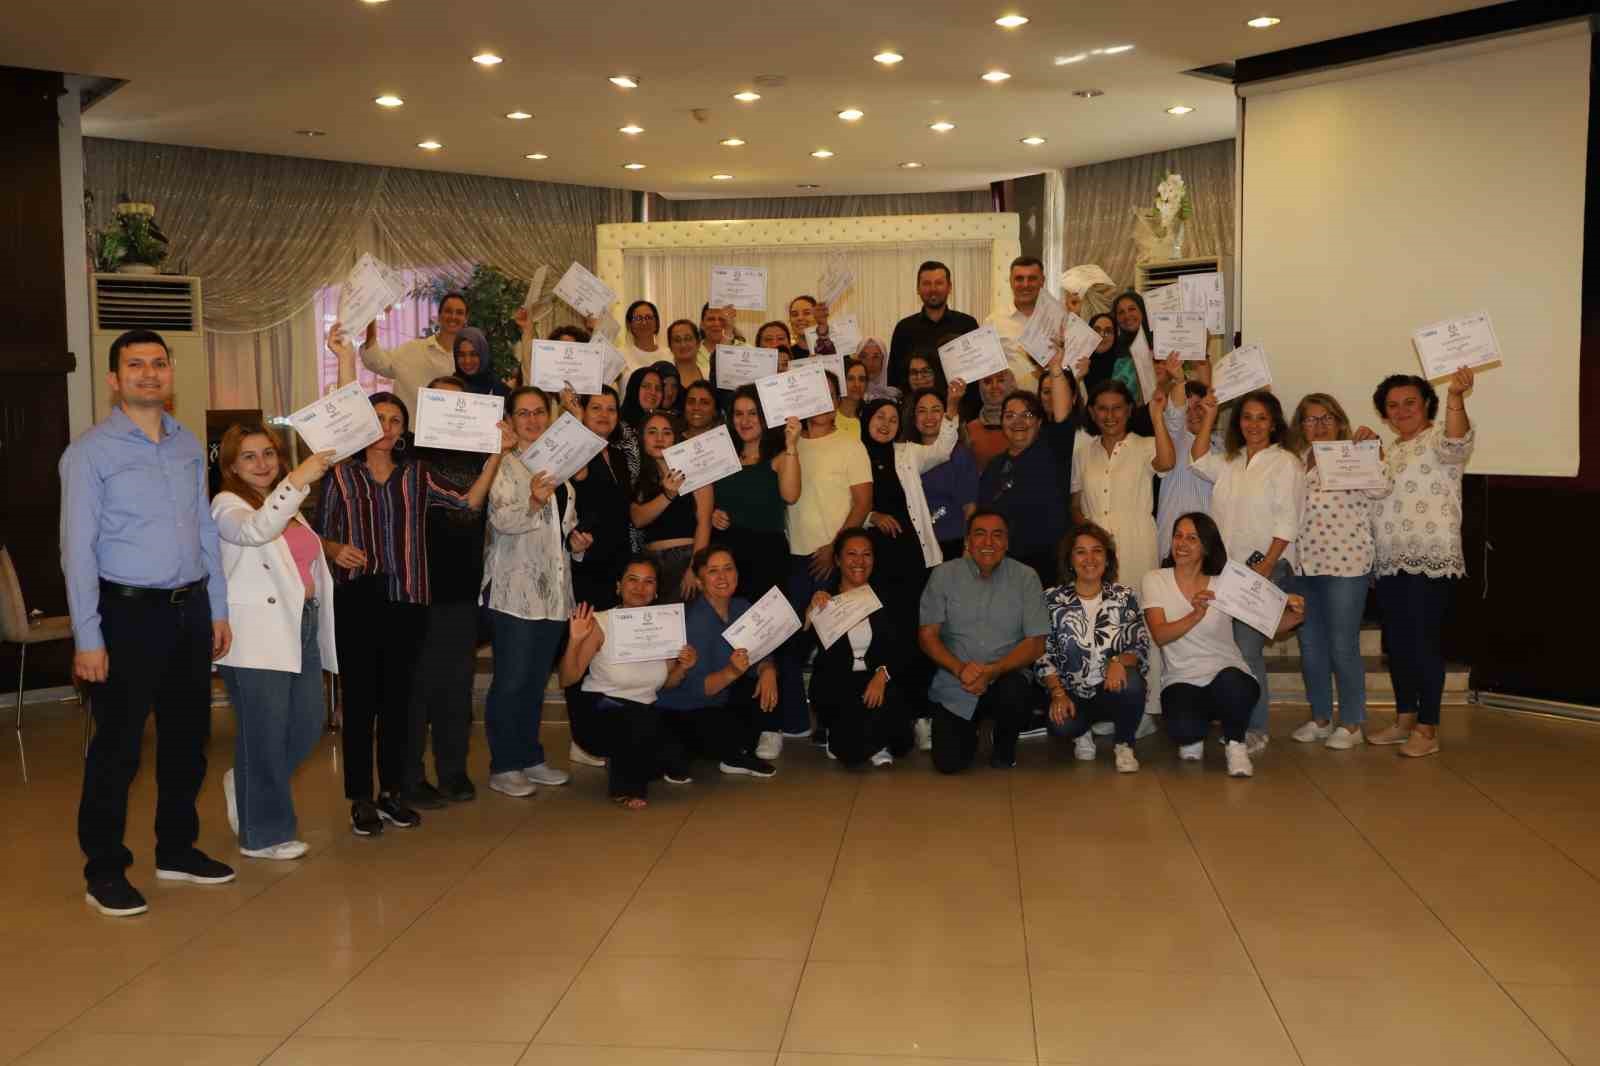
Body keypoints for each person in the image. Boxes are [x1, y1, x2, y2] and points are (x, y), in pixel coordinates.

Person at [62, 329, 236, 916]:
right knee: (118, 748)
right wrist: (88, 637)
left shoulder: (187, 444)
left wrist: (218, 608)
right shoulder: (89, 453)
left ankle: (177, 850)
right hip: (126, 613)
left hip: (190, 609)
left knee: (189, 740)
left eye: (158, 363)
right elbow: (76, 551)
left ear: (170, 373)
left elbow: (205, 529)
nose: (148, 373)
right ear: (114, 380)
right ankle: (104, 869)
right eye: (135, 365)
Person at [318, 383, 510, 836]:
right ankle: (360, 798)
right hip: (358, 596)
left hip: (407, 596)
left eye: (395, 421)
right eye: (379, 419)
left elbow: (468, 503)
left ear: (405, 430)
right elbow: (318, 533)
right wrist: (335, 548)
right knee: (360, 702)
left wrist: (496, 455)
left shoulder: (417, 474)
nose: (386, 428)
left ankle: (392, 793)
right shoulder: (340, 475)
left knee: (399, 702)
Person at [211, 426, 336, 860]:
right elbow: (256, 531)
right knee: (264, 734)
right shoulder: (227, 505)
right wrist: (298, 479)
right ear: (231, 465)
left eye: (268, 453)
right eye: (249, 456)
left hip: (302, 623)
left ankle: (245, 779)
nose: (262, 463)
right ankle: (263, 834)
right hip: (256, 634)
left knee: (308, 723)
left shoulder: (286, 504)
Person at [402, 375, 509, 809]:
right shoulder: (410, 452)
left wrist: (499, 448)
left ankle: (453, 771)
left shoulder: (483, 451)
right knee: (416, 687)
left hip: (463, 588)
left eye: (458, 402)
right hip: (417, 588)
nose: (452, 410)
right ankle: (410, 777)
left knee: (456, 685)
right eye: (441, 401)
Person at [481, 386, 592, 797]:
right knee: (510, 681)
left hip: (554, 594)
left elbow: (561, 525)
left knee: (534, 682)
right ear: (510, 420)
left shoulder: (559, 465)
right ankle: (504, 765)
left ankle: (529, 757)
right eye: (523, 413)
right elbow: (500, 521)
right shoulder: (502, 465)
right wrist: (531, 500)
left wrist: (575, 543)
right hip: (514, 591)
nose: (532, 420)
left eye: (539, 412)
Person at [1143, 513, 1304, 777]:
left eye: (1192, 538)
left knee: (1237, 684)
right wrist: (1196, 614)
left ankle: (1235, 745)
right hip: (1181, 678)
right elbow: (1160, 635)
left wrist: (1296, 615)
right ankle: (1194, 734)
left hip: (1225, 671)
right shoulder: (1155, 579)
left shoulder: (1226, 582)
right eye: (1178, 536)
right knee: (1184, 731)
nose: (1181, 543)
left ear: (1206, 546)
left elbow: (1270, 625)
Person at [1368, 368, 1476, 757]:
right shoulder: (1392, 451)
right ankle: (1405, 720)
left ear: (1427, 403)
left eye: (1409, 402)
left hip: (1430, 559)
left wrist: (1456, 398)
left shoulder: (1439, 439)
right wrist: (1366, 455)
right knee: (1397, 645)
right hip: (1389, 560)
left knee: (1425, 645)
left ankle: (1428, 729)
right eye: (1393, 405)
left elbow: (1457, 441)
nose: (1401, 411)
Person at [1190, 388, 1303, 754]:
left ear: (1274, 424)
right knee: (1230, 652)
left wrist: (1266, 567)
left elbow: (1287, 520)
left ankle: (1256, 729)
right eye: (1247, 417)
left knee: (1248, 651)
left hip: (1264, 568)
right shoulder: (1231, 460)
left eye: (1261, 418)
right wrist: (1209, 415)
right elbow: (1198, 457)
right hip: (1226, 573)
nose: (1253, 424)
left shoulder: (1285, 462)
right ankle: (1235, 722)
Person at [1286, 394, 1391, 750]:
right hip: (1304, 565)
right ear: (1301, 426)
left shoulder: (1355, 454)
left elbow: (1382, 489)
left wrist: (1376, 454)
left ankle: (1351, 723)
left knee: (1343, 646)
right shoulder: (1296, 461)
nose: (1319, 425)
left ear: (1340, 421)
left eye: (1326, 418)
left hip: (1347, 566)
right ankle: (1320, 718)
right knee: (1310, 646)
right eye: (1310, 419)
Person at [557, 557, 698, 808]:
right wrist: (575, 641)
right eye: (632, 580)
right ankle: (626, 789)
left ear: (656, 591)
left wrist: (683, 667)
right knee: (636, 724)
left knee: (676, 754)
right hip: (599, 709)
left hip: (643, 711)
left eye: (648, 582)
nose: (640, 588)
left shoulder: (664, 627)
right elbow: (567, 678)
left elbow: (666, 683)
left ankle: (632, 760)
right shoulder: (600, 622)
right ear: (618, 586)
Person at [779, 370, 872, 742]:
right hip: (794, 558)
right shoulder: (790, 442)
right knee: (789, 643)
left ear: (837, 401)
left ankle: (834, 722)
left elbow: (863, 503)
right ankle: (795, 721)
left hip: (834, 560)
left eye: (830, 394)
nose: (822, 402)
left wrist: (834, 548)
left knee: (837, 647)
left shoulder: (850, 445)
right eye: (814, 394)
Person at [919, 508, 1050, 773]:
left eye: (997, 535)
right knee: (949, 764)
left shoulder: (1026, 577)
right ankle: (971, 728)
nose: (988, 542)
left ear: (1007, 542)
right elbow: (927, 636)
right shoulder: (943, 575)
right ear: (968, 541)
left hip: (1006, 677)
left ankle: (1004, 745)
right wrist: (960, 669)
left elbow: (1037, 642)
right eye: (980, 534)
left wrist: (993, 670)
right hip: (957, 681)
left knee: (1015, 691)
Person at [653, 546, 780, 777]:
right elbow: (700, 689)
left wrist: (767, 669)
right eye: (713, 571)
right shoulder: (694, 619)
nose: (723, 577)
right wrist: (732, 672)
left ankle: (732, 748)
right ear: (699, 582)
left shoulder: (742, 607)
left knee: (767, 681)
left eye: (728, 569)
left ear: (737, 574)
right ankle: (724, 750)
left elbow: (761, 652)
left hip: (720, 701)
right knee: (688, 754)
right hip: (683, 706)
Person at [1036, 524, 1150, 773]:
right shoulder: (1051, 599)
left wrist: (1118, 661)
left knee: (1133, 682)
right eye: (1081, 552)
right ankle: (1082, 732)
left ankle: (1124, 744)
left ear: (1107, 559)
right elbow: (1042, 654)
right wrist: (1057, 693)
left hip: (1110, 689)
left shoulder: (1124, 596)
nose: (1090, 559)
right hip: (1071, 693)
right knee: (1061, 726)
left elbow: (1139, 645)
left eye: (1097, 551)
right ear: (1070, 560)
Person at [806, 529, 915, 768]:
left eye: (867, 554)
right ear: (837, 560)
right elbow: (800, 650)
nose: (860, 561)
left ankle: (872, 737)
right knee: (851, 755)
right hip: (838, 684)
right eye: (851, 554)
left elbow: (905, 647)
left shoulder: (887, 596)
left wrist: (882, 673)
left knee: (903, 743)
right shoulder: (825, 598)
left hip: (877, 677)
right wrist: (810, 615)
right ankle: (863, 737)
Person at [977, 353, 1079, 584]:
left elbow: (1063, 416)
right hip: (1006, 570)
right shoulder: (994, 466)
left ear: (1040, 422)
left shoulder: (1053, 450)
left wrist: (1055, 369)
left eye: (1027, 415)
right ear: (1002, 423)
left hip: (1051, 567)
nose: (1018, 422)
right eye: (1010, 416)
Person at [630, 412, 712, 601]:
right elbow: (638, 519)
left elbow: (705, 523)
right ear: (642, 439)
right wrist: (667, 495)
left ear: (675, 438)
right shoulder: (641, 478)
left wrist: (694, 567)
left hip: (685, 559)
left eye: (666, 432)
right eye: (652, 432)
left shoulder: (695, 472)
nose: (659, 438)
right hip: (650, 563)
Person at [569, 387, 635, 612]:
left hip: (620, 558)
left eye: (611, 409)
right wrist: (576, 419)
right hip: (587, 555)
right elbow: (579, 475)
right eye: (596, 408)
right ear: (583, 412)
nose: (604, 415)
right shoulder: (576, 451)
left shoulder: (619, 456)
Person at [360, 291, 467, 413]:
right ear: (439, 315)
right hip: (411, 425)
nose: (453, 316)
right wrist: (371, 316)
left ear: (465, 319)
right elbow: (375, 361)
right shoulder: (412, 349)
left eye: (459, 312)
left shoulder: (468, 361)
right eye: (448, 311)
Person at [1156, 378, 1222, 562]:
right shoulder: (1173, 438)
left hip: (1208, 546)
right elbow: (1174, 413)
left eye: (1199, 407)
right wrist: (1178, 378)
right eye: (1187, 408)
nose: (1193, 414)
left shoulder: (1224, 447)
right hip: (1171, 544)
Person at [909, 387, 979, 562]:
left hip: (953, 544)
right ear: (913, 418)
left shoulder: (960, 455)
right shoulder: (905, 456)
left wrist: (969, 546)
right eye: (922, 411)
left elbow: (970, 507)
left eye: (936, 410)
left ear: (946, 416)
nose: (929, 417)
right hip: (917, 546)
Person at [888, 260, 980, 391]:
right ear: (918, 289)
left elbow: (978, 374)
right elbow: (895, 379)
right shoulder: (903, 329)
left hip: (962, 402)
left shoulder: (967, 324)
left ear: (949, 287)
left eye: (939, 283)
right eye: (926, 284)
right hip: (916, 403)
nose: (933, 289)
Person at [985, 256, 1052, 391]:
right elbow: (987, 371)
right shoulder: (993, 322)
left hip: (1053, 400)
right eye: (1019, 279)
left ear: (1042, 281)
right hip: (1011, 401)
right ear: (1011, 281)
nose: (1025, 285)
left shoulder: (1058, 319)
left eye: (1032, 278)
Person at [965, 368, 1018, 472]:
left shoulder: (1026, 424)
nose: (994, 386)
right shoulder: (969, 429)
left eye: (1001, 380)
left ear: (1011, 384)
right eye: (987, 382)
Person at [452, 326, 508, 397]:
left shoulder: (499, 390)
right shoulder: (449, 387)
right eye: (461, 355)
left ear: (483, 355)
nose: (467, 361)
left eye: (474, 354)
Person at [622, 299, 662, 379]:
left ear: (656, 323)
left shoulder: (670, 355)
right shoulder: (620, 355)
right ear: (629, 325)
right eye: (638, 318)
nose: (644, 322)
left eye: (648, 317)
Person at [620, 364, 665, 430]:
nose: (653, 392)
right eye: (646, 386)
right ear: (634, 389)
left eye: (658, 388)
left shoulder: (664, 426)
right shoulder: (616, 426)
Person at [857, 337, 898, 401]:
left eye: (875, 357)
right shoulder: (849, 394)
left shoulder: (894, 395)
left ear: (883, 360)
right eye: (864, 357)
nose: (870, 363)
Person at [838, 357, 869, 424]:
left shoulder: (870, 416)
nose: (857, 385)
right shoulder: (827, 415)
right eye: (850, 379)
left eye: (862, 379)